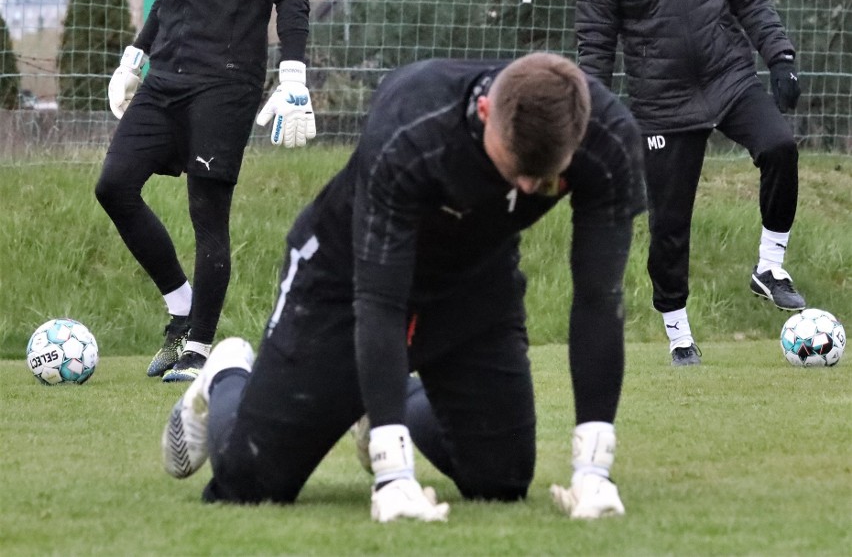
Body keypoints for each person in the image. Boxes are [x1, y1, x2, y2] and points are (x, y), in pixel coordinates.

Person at [159, 52, 646, 522]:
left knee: (501, 481)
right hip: (343, 278)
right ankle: (226, 375)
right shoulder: (413, 123)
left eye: (542, 184)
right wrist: (393, 475)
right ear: (483, 111)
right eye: (512, 168)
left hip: (473, 283)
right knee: (253, 483)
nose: (522, 190)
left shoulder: (607, 140)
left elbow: (599, 297)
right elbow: (380, 300)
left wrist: (593, 470)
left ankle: (381, 402)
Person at [95, 0, 314, 383]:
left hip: (226, 81)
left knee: (206, 213)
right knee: (114, 185)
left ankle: (198, 346)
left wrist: (294, 73)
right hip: (167, 74)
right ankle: (181, 308)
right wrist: (136, 55)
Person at [575, 0, 804, 368]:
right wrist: (595, 117)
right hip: (662, 104)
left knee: (780, 148)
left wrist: (780, 57)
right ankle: (679, 332)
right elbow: (596, 45)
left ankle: (770, 267)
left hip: (729, 77)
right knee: (670, 224)